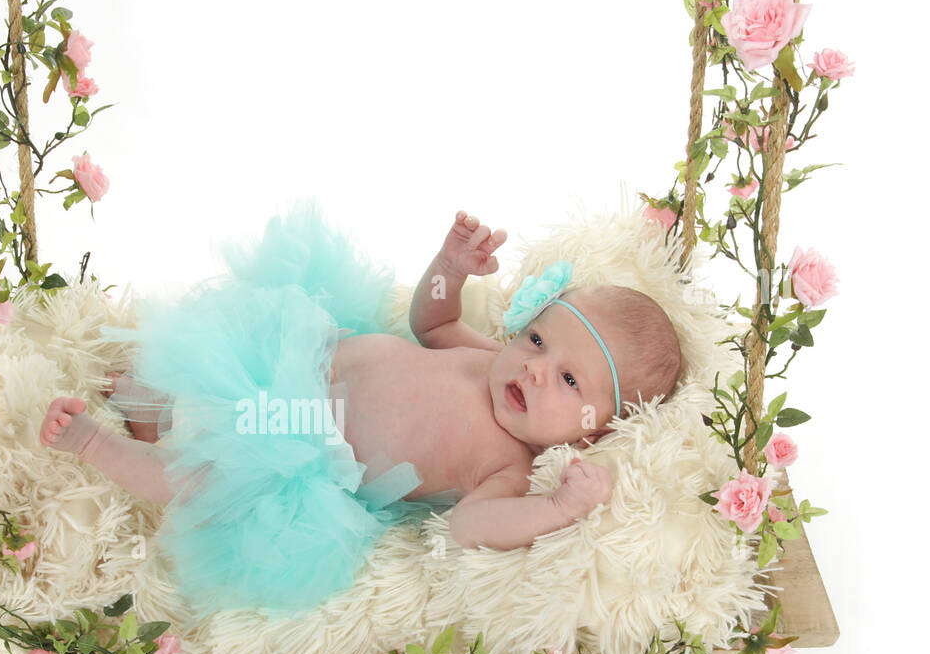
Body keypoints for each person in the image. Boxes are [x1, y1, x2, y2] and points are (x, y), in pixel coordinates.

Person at [39, 201, 682, 616]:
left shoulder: (505, 465)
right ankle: (154, 409)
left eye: (568, 380)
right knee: (215, 373)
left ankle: (96, 444)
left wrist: (557, 508)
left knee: (205, 478)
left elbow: (470, 528)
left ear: (593, 433)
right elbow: (432, 317)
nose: (535, 367)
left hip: (304, 448)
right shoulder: (487, 357)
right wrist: (449, 268)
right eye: (538, 339)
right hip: (304, 363)